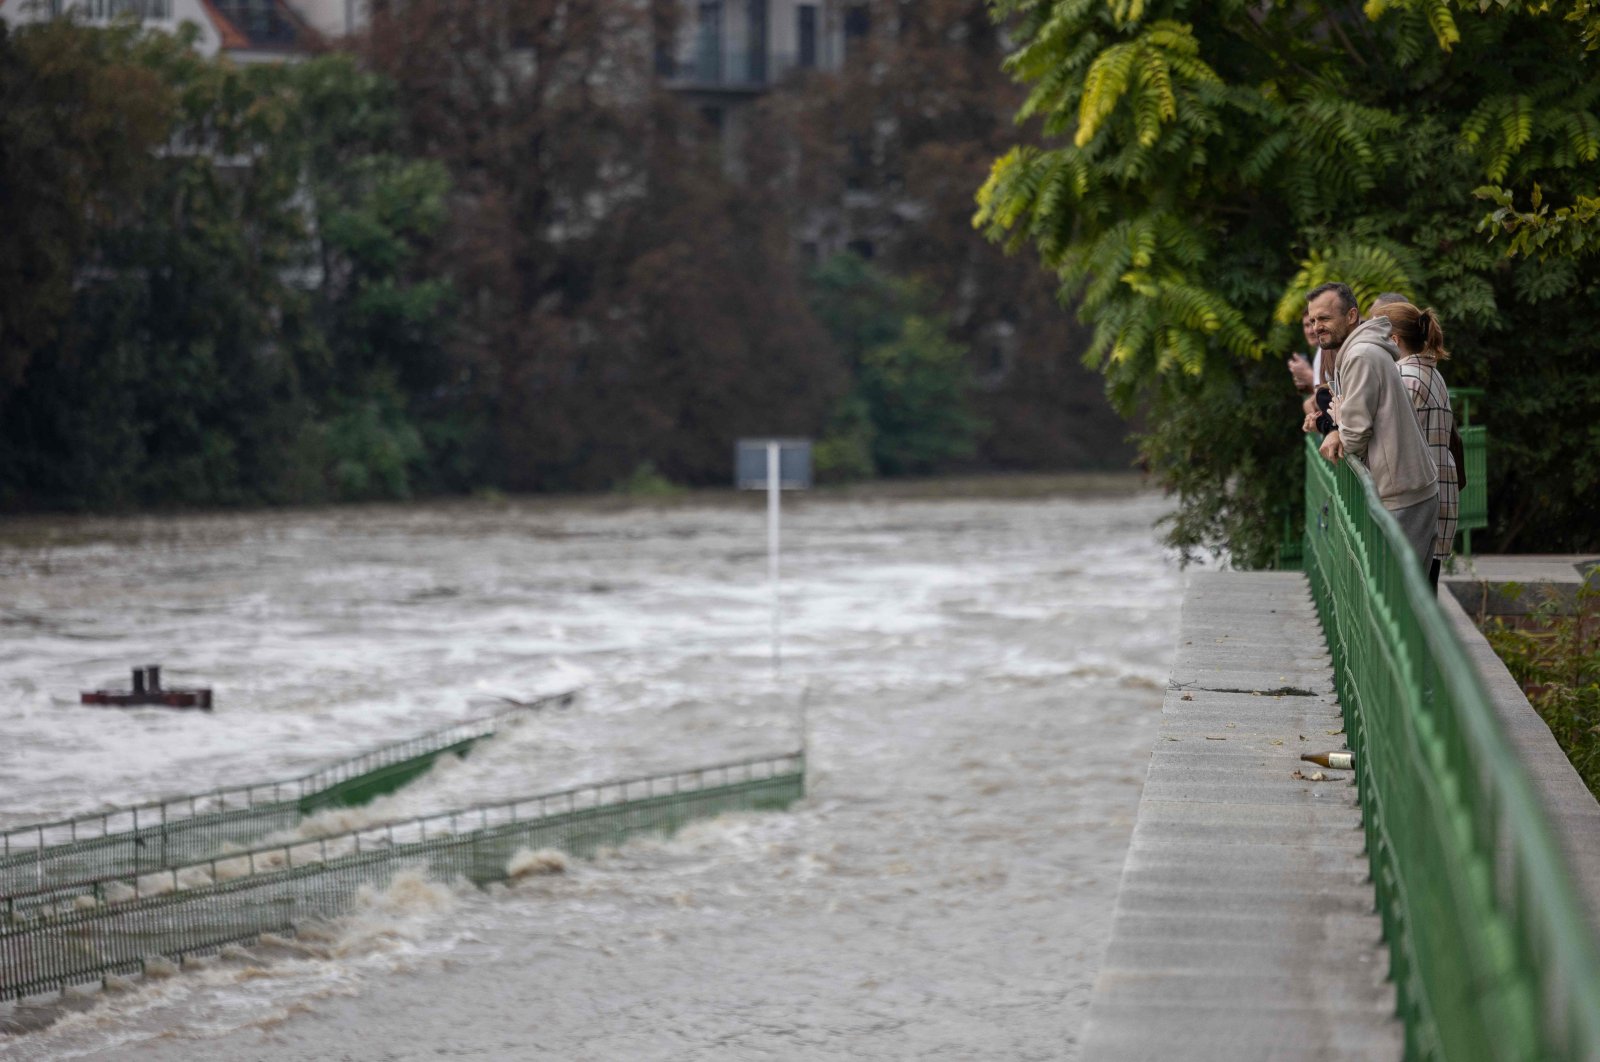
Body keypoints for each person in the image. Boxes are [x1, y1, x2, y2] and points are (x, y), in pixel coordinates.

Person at [1304, 282, 1439, 572]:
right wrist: (1340, 420)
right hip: (1410, 490)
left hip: (1402, 495)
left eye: (1325, 318)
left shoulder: (1361, 355)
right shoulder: (1360, 351)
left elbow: (1353, 438)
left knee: (1393, 601)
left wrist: (1339, 424)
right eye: (1313, 320)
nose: (1316, 327)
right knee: (1399, 599)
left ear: (1352, 315)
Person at [1370, 300, 1458, 590]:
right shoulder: (1432, 374)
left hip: (1416, 502)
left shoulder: (1405, 378)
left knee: (1404, 594)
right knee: (1424, 588)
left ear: (1393, 340)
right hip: (1439, 491)